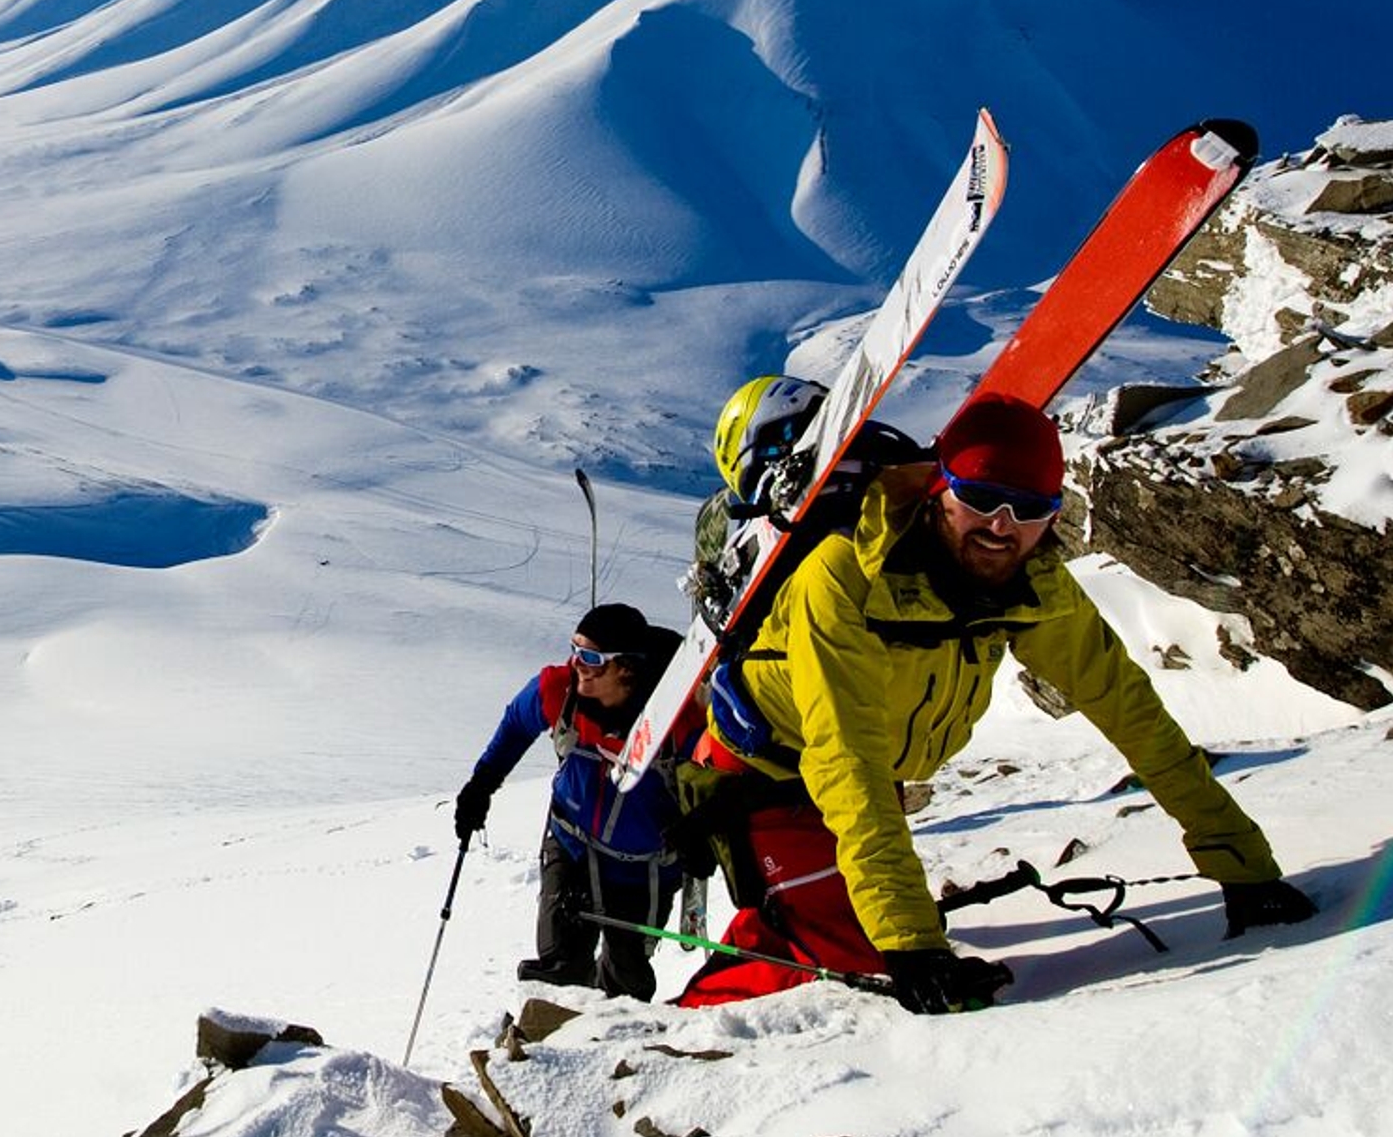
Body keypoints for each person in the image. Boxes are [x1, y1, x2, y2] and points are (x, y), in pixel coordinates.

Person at [673, 394, 1322, 1014]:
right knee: (851, 958)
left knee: (865, 934)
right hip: (761, 772)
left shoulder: (1035, 583)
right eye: (980, 499)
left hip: (857, 776)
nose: (1000, 527)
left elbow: (1135, 717)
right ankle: (660, 1040)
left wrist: (1244, 868)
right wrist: (910, 944)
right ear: (938, 489)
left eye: (1028, 508)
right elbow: (846, 758)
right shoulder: (844, 577)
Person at [453, 601, 687, 997]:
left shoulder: (676, 715)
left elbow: (718, 772)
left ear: (625, 667)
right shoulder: (559, 690)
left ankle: (611, 1048)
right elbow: (515, 725)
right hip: (571, 842)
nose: (576, 662)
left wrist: (702, 830)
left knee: (627, 978)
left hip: (642, 867)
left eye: (591, 657)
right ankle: (547, 1047)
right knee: (561, 964)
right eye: (575, 649)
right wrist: (481, 784)